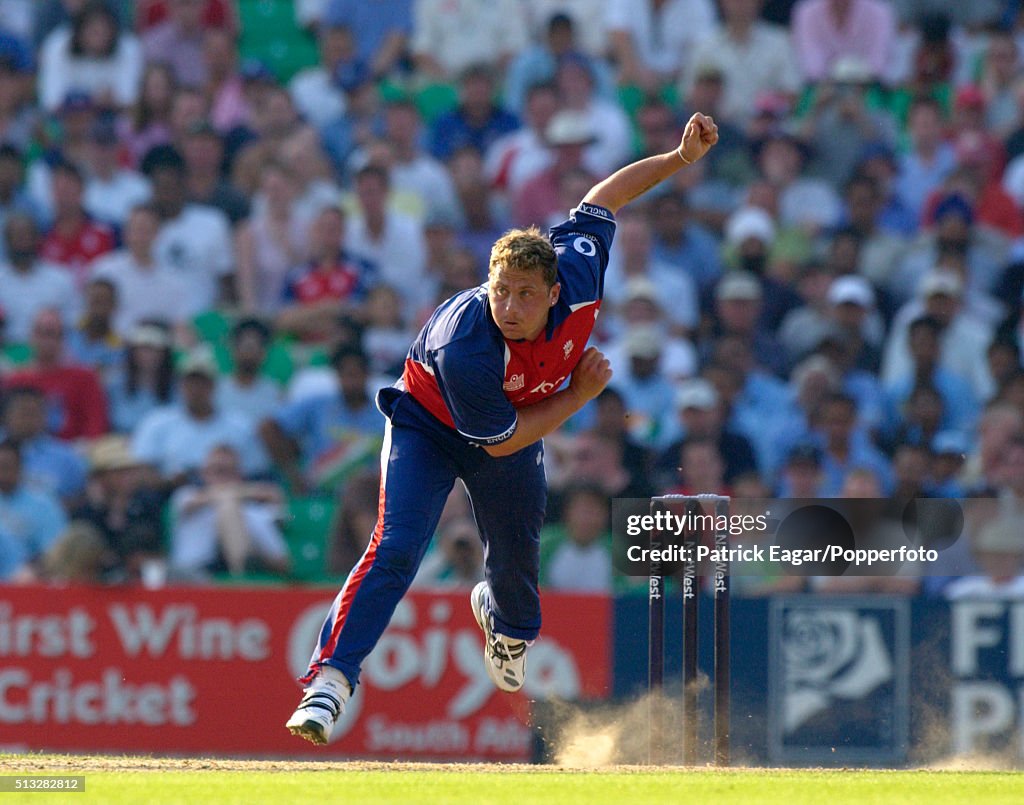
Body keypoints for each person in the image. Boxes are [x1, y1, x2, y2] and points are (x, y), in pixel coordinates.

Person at [285, 110, 719, 745]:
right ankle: (329, 680)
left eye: (523, 294)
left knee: (518, 569)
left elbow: (603, 197)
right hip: (429, 426)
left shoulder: (577, 272)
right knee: (399, 544)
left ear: (552, 292)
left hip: (509, 425)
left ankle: (504, 622)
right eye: (499, 290)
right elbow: (506, 440)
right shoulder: (468, 343)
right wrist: (581, 394)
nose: (509, 307)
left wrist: (678, 159)